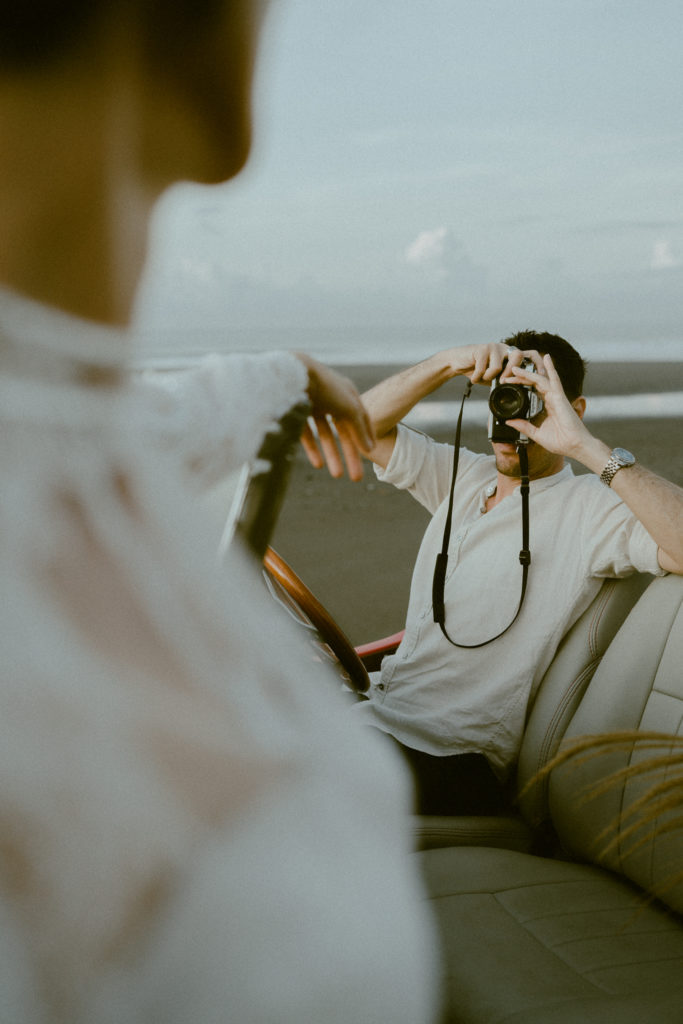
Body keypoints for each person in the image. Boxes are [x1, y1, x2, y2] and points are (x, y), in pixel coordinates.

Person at [0, 2, 441, 1022]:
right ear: (215, 64)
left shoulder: (63, 452)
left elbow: (133, 422)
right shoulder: (239, 839)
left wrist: (282, 375)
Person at [353, 329, 683, 815]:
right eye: (504, 399)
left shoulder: (591, 507)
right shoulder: (465, 477)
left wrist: (585, 447)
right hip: (378, 716)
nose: (513, 419)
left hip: (450, 758)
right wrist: (446, 363)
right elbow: (355, 428)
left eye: (534, 401)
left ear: (575, 409)